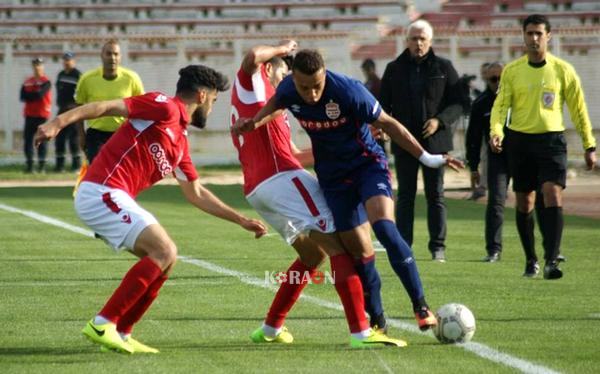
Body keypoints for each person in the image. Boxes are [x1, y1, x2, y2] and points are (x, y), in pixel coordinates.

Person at [35, 65, 268, 354]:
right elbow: (104, 106)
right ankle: (102, 322)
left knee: (168, 259)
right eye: (214, 100)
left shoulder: (180, 142)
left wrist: (241, 220)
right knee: (164, 250)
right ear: (202, 94)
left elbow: (195, 193)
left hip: (114, 196)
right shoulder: (164, 107)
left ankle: (121, 332)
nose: (212, 106)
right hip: (101, 190)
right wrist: (57, 123)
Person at [233, 49, 464, 332]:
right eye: (305, 87)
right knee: (359, 250)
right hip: (333, 181)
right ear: (294, 80)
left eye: (317, 86)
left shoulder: (348, 91)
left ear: (325, 75)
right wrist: (252, 123)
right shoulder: (288, 90)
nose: (312, 94)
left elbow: (389, 125)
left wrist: (427, 158)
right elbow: (274, 106)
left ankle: (420, 304)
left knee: (385, 230)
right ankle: (377, 320)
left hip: (367, 166)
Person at [231, 41, 404, 348]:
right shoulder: (254, 87)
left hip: (262, 188)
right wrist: (285, 46)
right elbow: (252, 57)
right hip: (280, 179)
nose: (292, 81)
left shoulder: (277, 107)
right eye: (287, 72)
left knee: (313, 254)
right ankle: (362, 331)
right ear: (270, 69)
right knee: (340, 243)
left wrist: (346, 141)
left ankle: (271, 328)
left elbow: (296, 154)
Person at [490, 14, 597, 279]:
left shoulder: (563, 70)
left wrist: (589, 144)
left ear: (548, 36)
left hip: (551, 140)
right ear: (523, 36)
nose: (534, 38)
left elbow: (578, 109)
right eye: (530, 33)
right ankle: (531, 259)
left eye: (539, 33)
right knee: (525, 202)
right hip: (520, 141)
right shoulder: (513, 71)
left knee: (552, 192)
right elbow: (500, 105)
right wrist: (496, 131)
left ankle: (552, 258)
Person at [379, 20, 463, 262]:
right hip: (404, 142)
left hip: (436, 142)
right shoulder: (394, 69)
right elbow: (383, 105)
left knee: (435, 195)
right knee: (405, 195)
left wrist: (440, 120)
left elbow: (458, 103)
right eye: (414, 38)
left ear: (430, 40)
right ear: (406, 40)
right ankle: (405, 246)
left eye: (422, 38)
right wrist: (385, 127)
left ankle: (438, 247)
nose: (418, 43)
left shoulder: (444, 67)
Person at [75, 39, 144, 164]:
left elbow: (142, 108)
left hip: (123, 133)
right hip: (96, 135)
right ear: (102, 56)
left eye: (116, 54)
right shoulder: (87, 79)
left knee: (123, 173)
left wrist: (140, 134)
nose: (112, 58)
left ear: (120, 57)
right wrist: (81, 135)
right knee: (98, 174)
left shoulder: (131, 78)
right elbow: (79, 106)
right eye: (108, 54)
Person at [466, 62, 507, 262]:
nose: (498, 83)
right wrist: (473, 167)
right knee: (496, 201)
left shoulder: (518, 98)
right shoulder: (481, 103)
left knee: (529, 201)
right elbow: (472, 138)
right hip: (496, 157)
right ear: (486, 80)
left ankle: (541, 252)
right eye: (493, 79)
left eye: (501, 78)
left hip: (522, 154)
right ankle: (494, 250)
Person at [20, 57, 52, 173]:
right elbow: (22, 96)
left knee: (42, 141)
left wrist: (32, 95)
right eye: (35, 65)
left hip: (41, 115)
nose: (37, 67)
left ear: (42, 67)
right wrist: (34, 94)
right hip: (29, 115)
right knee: (28, 141)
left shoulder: (46, 81)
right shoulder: (27, 81)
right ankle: (30, 166)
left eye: (39, 65)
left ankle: (42, 166)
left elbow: (40, 95)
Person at [54, 51, 82, 172]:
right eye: (65, 60)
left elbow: (81, 93)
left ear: (73, 61)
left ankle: (76, 165)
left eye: (69, 60)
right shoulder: (60, 74)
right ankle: (59, 166)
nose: (66, 62)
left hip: (73, 110)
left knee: (73, 139)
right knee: (59, 138)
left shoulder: (78, 75)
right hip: (62, 110)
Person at [361, 58, 389, 155]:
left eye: (367, 70)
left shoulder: (379, 84)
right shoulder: (366, 84)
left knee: (379, 146)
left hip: (377, 119)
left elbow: (383, 103)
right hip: (368, 121)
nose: (366, 73)